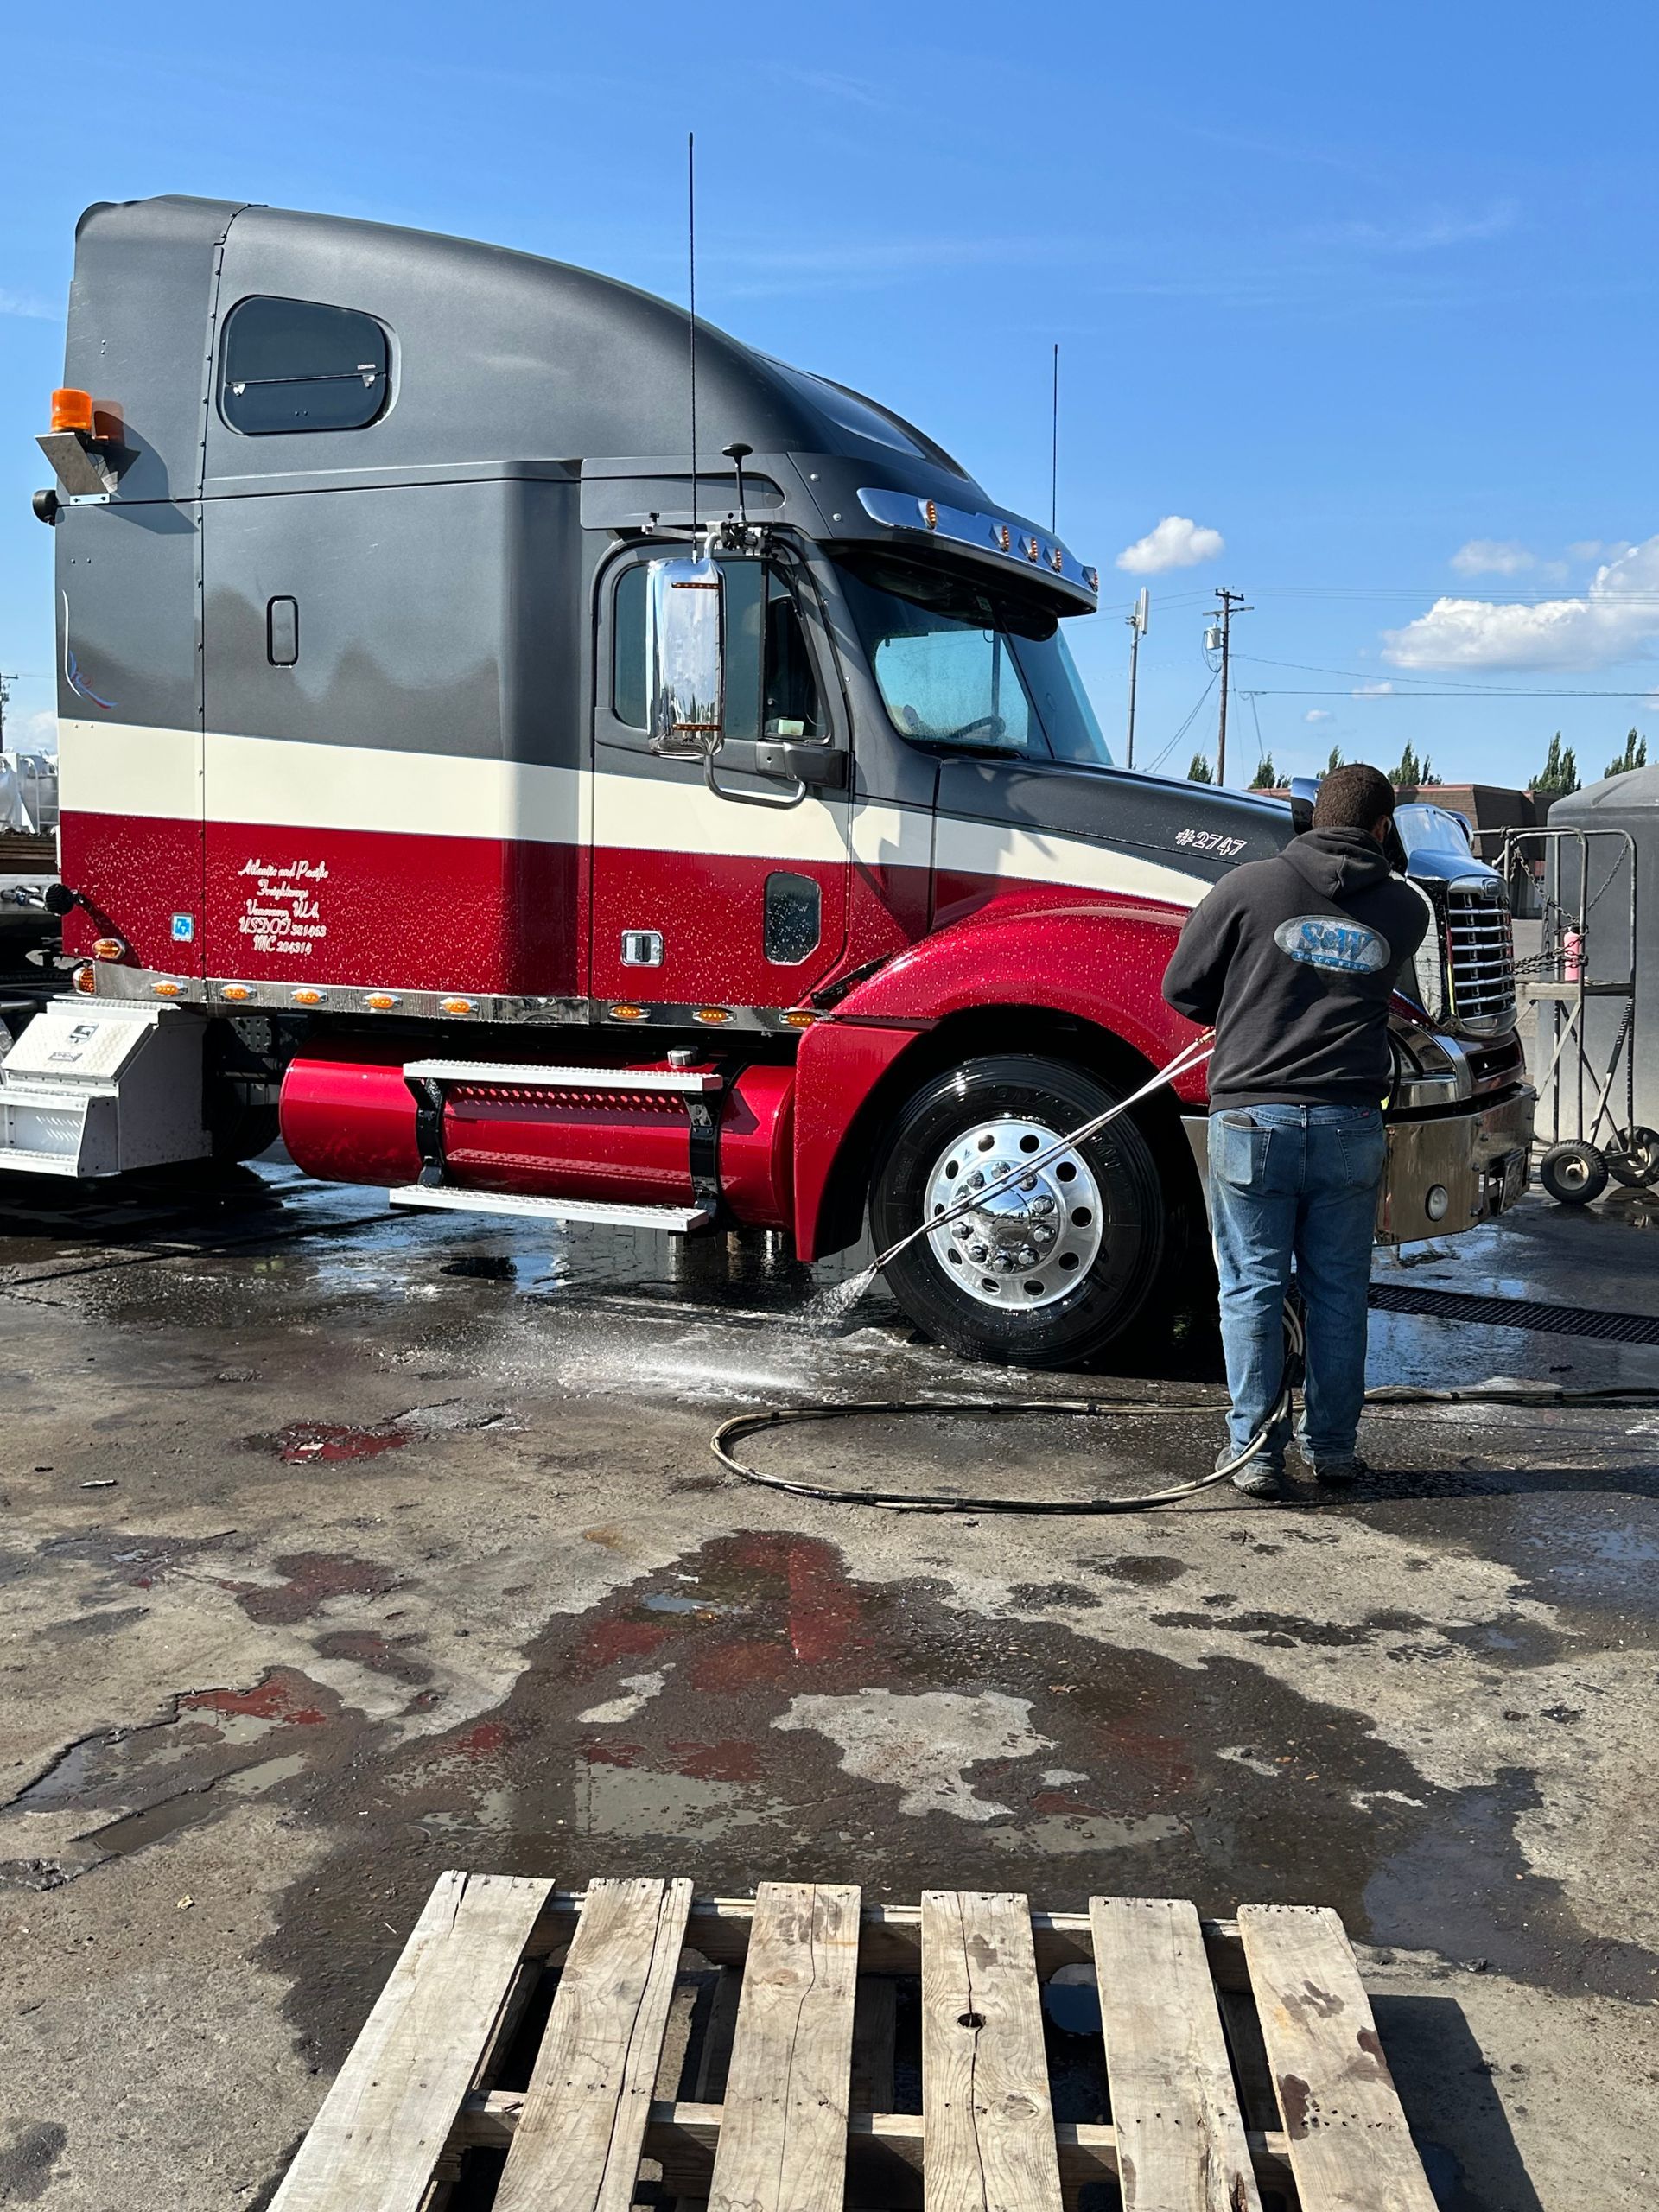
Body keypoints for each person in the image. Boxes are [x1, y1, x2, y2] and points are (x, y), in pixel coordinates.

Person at [1161, 763, 1428, 1497]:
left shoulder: (1247, 887)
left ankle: (1256, 1454)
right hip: (1349, 1124)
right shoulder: (1405, 910)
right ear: (1383, 827)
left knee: (1251, 1287)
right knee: (1339, 1290)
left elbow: (1182, 987)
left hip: (1253, 1118)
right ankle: (1334, 1450)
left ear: (1308, 817)